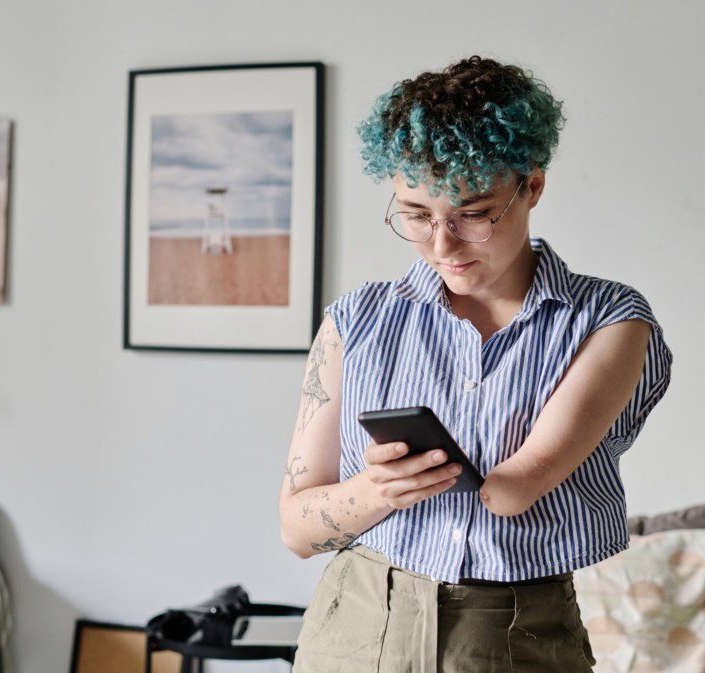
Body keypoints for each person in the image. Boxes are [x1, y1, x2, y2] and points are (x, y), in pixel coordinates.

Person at [278, 56, 672, 673]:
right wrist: (375, 489)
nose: (442, 244)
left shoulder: (610, 319)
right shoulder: (355, 321)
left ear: (532, 186)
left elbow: (514, 491)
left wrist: (433, 475)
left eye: (473, 213)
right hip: (354, 628)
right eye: (415, 214)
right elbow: (298, 531)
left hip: (518, 637)